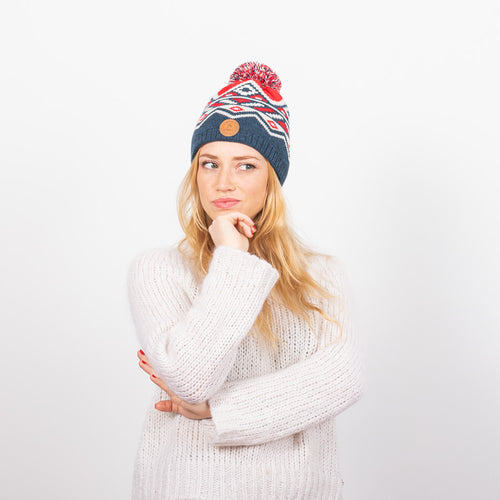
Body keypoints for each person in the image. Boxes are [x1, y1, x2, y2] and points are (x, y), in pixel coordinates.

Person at [127, 61, 365, 500]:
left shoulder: (320, 274)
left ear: (272, 177)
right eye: (210, 163)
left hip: (299, 490)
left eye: (246, 166)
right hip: (190, 487)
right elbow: (191, 380)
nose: (223, 183)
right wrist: (232, 259)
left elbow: (342, 379)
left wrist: (218, 410)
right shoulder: (160, 268)